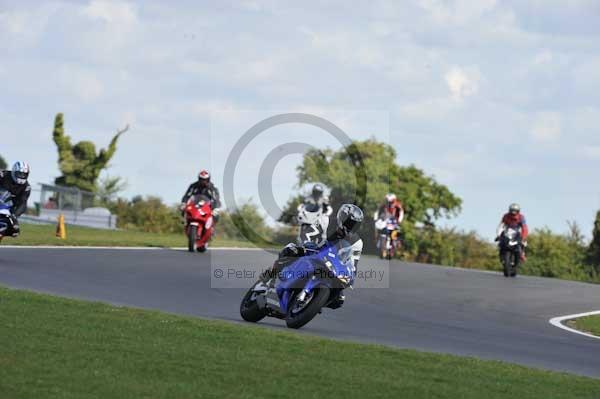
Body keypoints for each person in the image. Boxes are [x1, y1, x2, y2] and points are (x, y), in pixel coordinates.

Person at [264, 203, 364, 308]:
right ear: (342, 217)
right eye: (349, 222)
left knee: (339, 299)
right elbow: (308, 233)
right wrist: (307, 243)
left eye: (354, 224)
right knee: (291, 250)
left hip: (331, 264)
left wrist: (350, 277)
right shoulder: (326, 221)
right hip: (313, 250)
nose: (350, 226)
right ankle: (270, 279)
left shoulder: (357, 242)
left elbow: (353, 264)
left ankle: (313, 303)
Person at [0, 161, 31, 242]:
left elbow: (23, 203)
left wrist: (14, 215)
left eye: (24, 174)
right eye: (20, 174)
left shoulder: (26, 187)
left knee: (15, 231)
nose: (22, 176)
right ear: (14, 171)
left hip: (9, 209)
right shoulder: (3, 175)